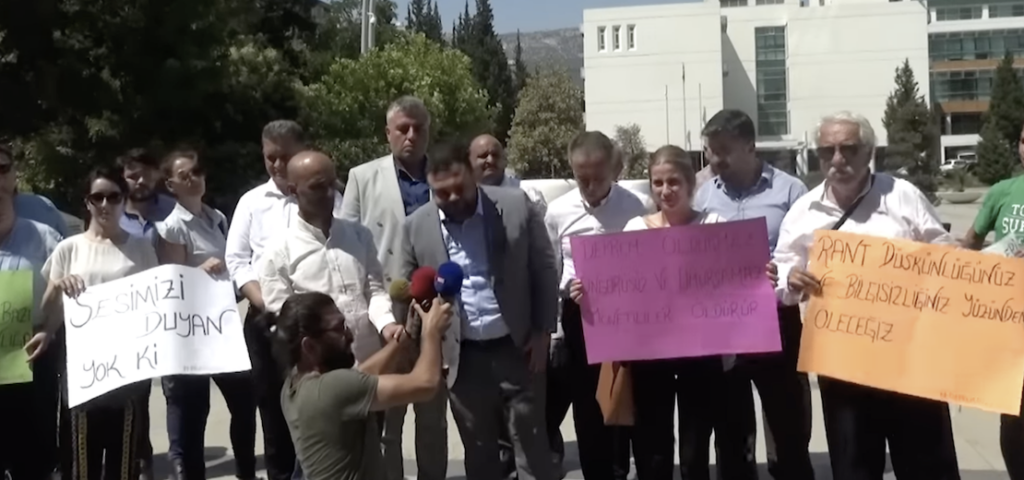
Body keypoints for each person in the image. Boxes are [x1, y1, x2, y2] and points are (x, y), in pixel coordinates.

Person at [774, 111, 960, 480]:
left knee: (927, 464)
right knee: (854, 466)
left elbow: (946, 254)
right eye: (827, 151)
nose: (837, 159)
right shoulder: (802, 212)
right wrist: (791, 279)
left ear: (869, 152)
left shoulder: (902, 196)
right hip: (843, 363)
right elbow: (782, 272)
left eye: (848, 149)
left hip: (911, 359)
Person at [570, 145, 771, 480]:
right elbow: (620, 291)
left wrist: (762, 276)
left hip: (702, 356)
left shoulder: (714, 225)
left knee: (695, 450)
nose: (666, 190)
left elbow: (739, 280)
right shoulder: (636, 229)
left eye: (674, 182)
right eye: (658, 182)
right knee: (653, 450)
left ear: (690, 183)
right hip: (650, 356)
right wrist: (589, 296)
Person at [400, 140, 559, 480]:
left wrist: (543, 331)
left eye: (459, 188)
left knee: (532, 445)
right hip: (462, 357)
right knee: (479, 450)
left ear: (473, 175)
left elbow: (545, 268)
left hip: (519, 347)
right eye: (442, 193)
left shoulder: (515, 206)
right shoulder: (415, 227)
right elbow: (408, 285)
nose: (453, 198)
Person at [693, 109, 813, 480]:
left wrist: (785, 272)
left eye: (723, 151)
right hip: (725, 327)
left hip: (778, 321)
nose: (714, 160)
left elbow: (810, 253)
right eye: (710, 151)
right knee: (732, 429)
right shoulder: (703, 196)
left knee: (787, 424)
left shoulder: (791, 191)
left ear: (750, 146)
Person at [225, 120, 342, 480]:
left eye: (285, 157)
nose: (276, 165)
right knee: (275, 413)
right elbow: (237, 261)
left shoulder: (328, 197)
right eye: (270, 157)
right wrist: (267, 303)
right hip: (269, 323)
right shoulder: (251, 203)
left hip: (321, 326)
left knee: (322, 411)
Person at [340, 96, 448, 480]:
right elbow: (347, 242)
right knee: (388, 413)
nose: (411, 135)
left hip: (435, 308)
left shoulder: (446, 176)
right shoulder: (362, 177)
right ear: (388, 132)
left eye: (419, 128)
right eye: (403, 128)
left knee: (432, 411)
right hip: (384, 310)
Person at [28, 166, 160, 480]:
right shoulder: (68, 249)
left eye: (113, 197)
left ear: (123, 199)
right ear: (87, 202)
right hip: (83, 374)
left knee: (123, 463)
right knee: (80, 463)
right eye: (97, 197)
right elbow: (47, 309)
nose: (104, 204)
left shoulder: (141, 248)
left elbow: (157, 303)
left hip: (128, 372)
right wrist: (57, 289)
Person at [544, 131, 651, 480]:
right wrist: (566, 291)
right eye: (582, 178)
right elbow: (552, 268)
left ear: (614, 170)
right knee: (588, 406)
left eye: (598, 178)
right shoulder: (558, 212)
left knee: (627, 399)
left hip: (631, 317)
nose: (590, 186)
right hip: (582, 317)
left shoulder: (638, 206)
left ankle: (625, 468)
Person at [154, 150, 258, 480]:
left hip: (222, 326)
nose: (193, 178)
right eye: (184, 175)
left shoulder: (217, 218)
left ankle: (246, 472)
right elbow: (172, 282)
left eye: (197, 170)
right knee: (195, 413)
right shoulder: (172, 227)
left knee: (244, 404)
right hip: (192, 333)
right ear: (171, 185)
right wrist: (199, 271)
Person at [276, 291, 453, 480]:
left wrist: (405, 337)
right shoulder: (332, 389)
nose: (349, 335)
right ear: (310, 346)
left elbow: (360, 377)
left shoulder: (294, 384)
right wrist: (431, 332)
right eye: (338, 329)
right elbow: (425, 384)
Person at [259, 151, 391, 364]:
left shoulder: (359, 235)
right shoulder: (277, 254)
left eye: (332, 184)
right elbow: (285, 324)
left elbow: (374, 291)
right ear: (293, 191)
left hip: (373, 360)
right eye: (318, 187)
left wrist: (387, 324)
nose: (329, 193)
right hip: (324, 372)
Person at [962, 121, 1024, 479]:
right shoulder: (1002, 191)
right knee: (1013, 411)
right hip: (1008, 324)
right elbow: (971, 243)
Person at [0, 144, 63, 480]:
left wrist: (50, 329)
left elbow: (67, 291)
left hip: (34, 355)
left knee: (33, 455)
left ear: (14, 174)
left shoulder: (44, 234)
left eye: (3, 169)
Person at [114, 148, 176, 478]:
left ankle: (181, 456)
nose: (140, 180)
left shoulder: (174, 209)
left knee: (176, 389)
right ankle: (141, 456)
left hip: (173, 313)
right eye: (132, 174)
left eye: (146, 173)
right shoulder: (111, 212)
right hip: (131, 316)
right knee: (136, 392)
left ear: (157, 174)